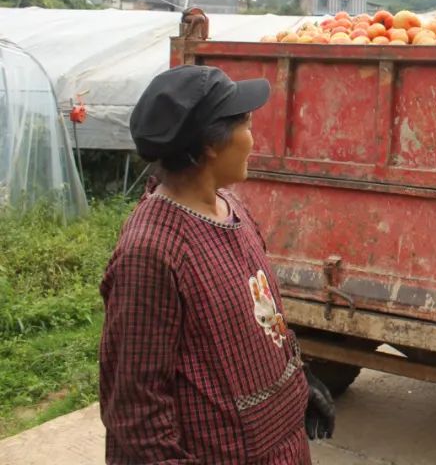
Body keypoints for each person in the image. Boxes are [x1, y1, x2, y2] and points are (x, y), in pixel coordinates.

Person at [99, 65, 335, 464]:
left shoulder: (231, 208)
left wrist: (298, 382)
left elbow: (262, 320)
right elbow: (136, 410)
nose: (252, 137)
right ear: (211, 144)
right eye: (245, 124)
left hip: (280, 447)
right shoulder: (151, 252)